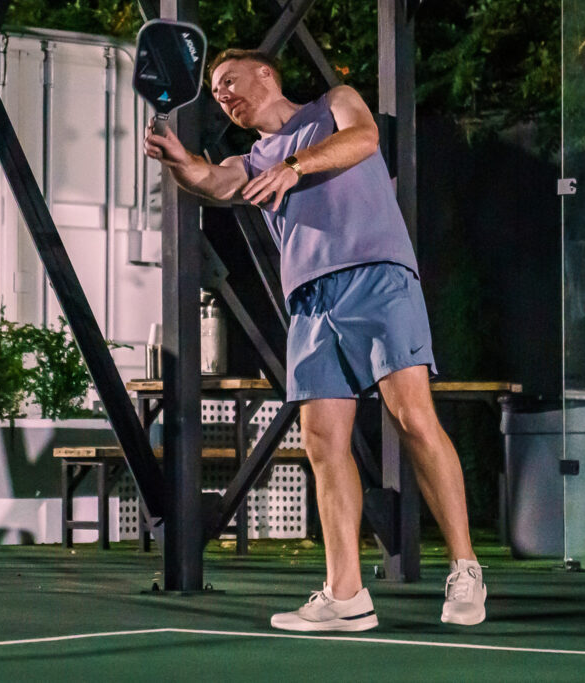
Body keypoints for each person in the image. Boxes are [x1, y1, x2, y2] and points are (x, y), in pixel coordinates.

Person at [143, 48, 487, 631]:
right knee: (323, 441)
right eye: (216, 91)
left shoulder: (333, 104)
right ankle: (345, 594)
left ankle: (465, 568)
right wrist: (180, 161)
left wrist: (296, 166)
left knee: (412, 416)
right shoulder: (250, 160)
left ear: (266, 74)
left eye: (229, 80)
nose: (222, 94)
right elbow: (211, 181)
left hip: (376, 276)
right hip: (309, 301)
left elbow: (364, 140)